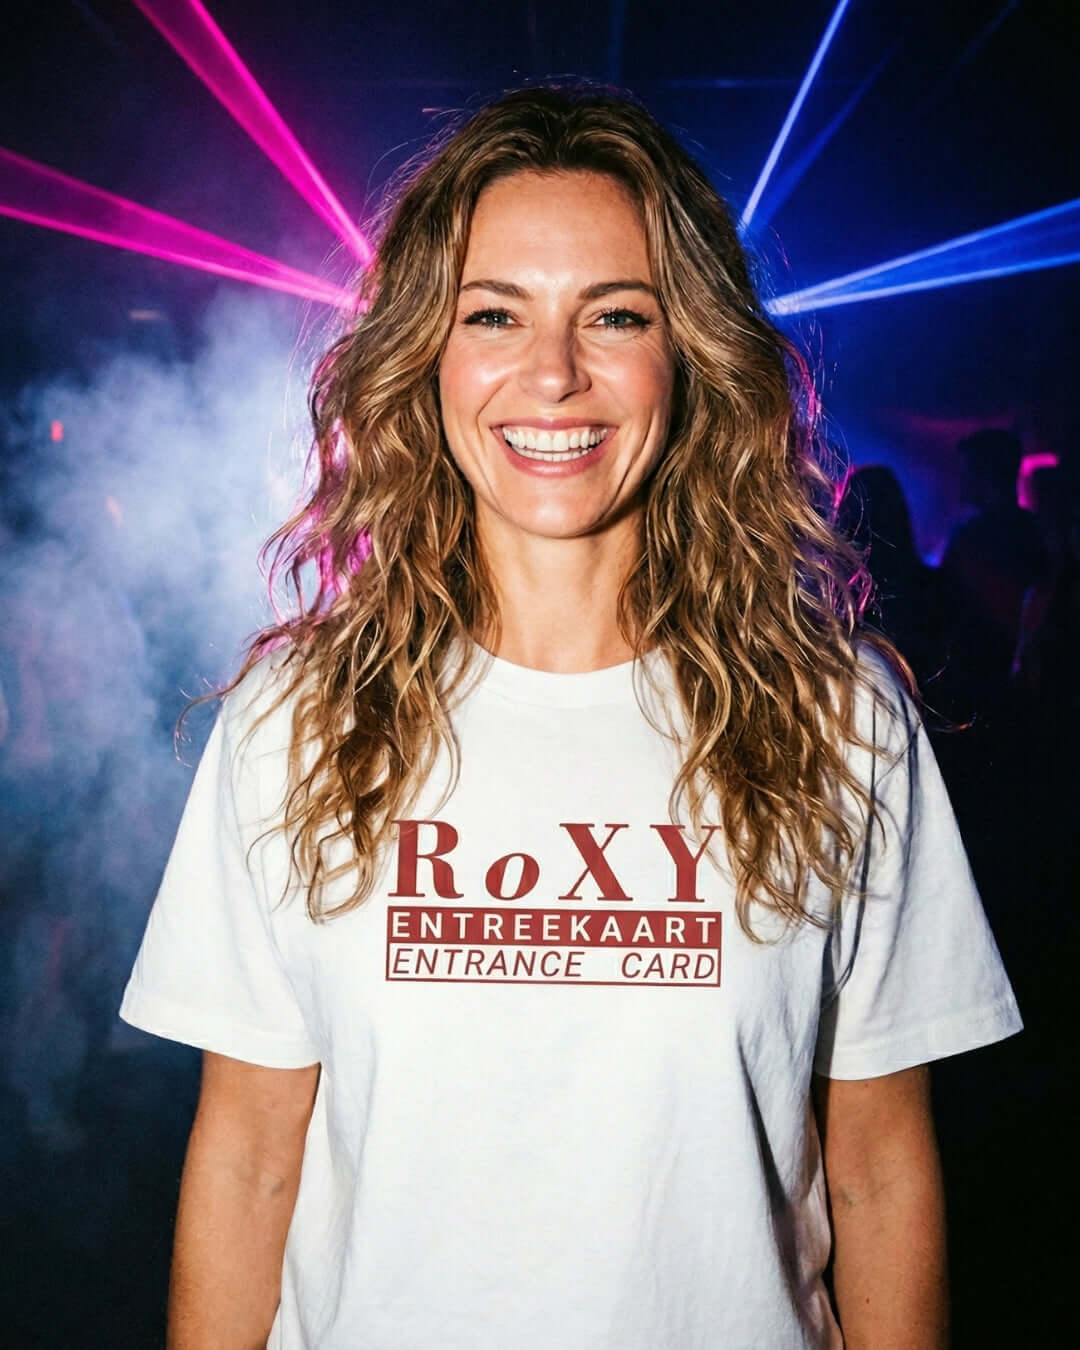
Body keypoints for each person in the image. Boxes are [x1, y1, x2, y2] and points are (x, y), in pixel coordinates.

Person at [120, 87, 1021, 1349]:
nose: (552, 373)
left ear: (688, 357)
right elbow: (250, 1160)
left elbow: (875, 1166)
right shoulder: (299, 717)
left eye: (615, 316)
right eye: (495, 314)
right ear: (426, 356)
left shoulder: (838, 718)